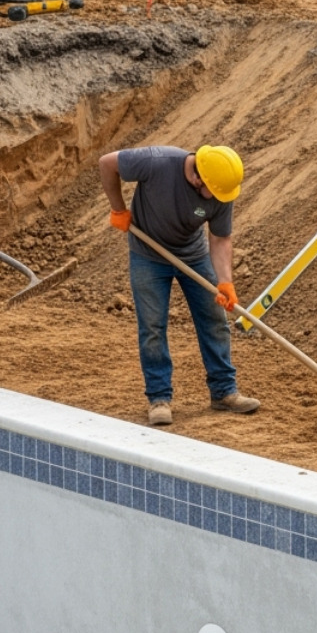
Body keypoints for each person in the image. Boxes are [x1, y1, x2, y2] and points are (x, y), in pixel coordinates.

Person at [99, 144, 259, 426]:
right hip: (148, 255)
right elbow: (107, 163)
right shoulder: (156, 162)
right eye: (213, 193)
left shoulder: (220, 188)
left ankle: (224, 392)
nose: (219, 200)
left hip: (193, 256)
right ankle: (159, 397)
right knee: (152, 326)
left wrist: (225, 283)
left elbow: (220, 239)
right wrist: (118, 209)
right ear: (198, 178)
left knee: (214, 320)